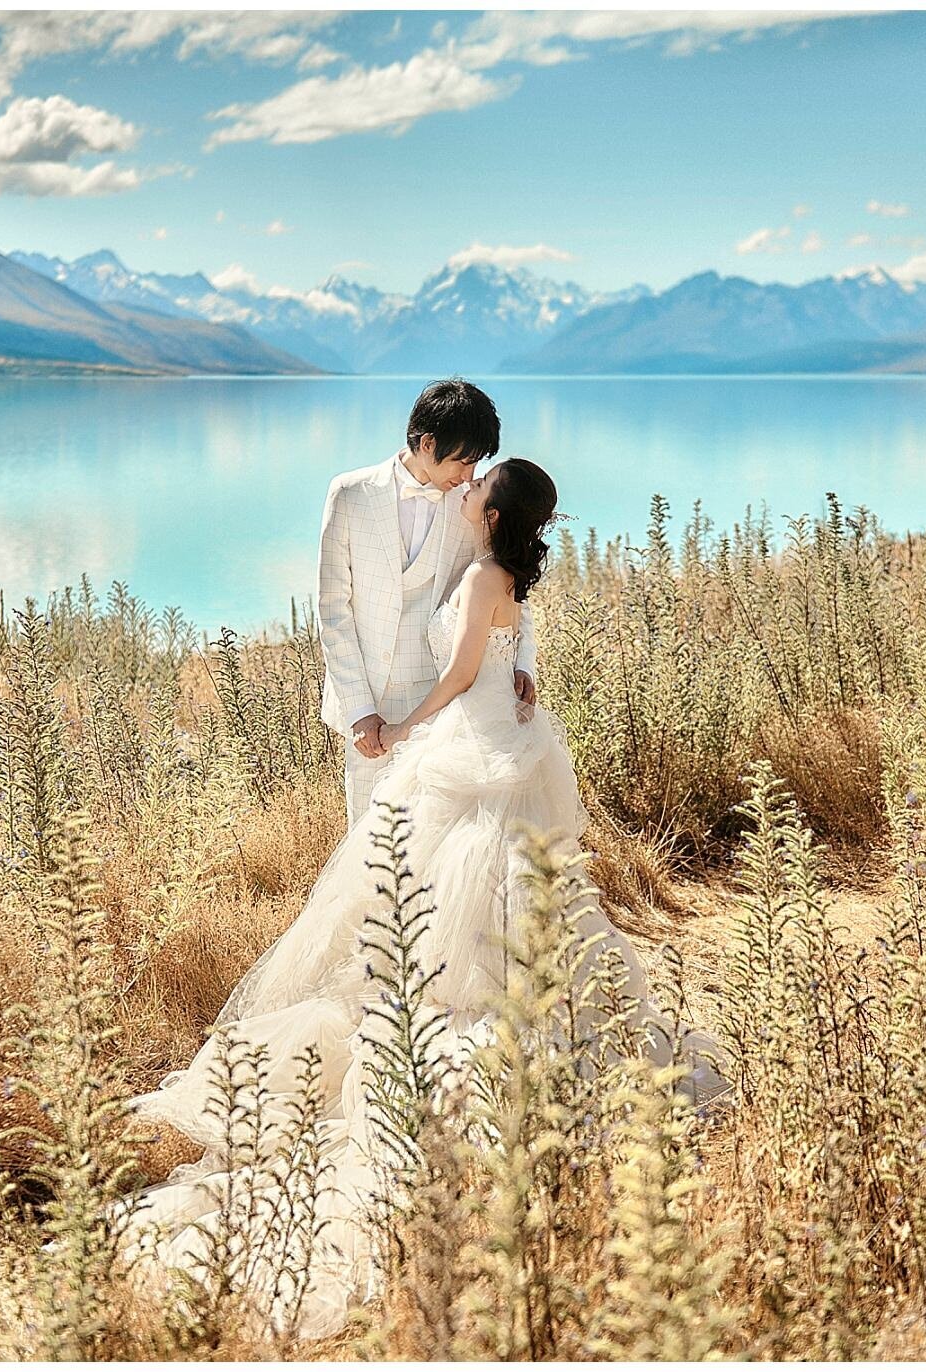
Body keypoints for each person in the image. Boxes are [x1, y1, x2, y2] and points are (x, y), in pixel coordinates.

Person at [119, 455, 732, 1341]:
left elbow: (461, 671)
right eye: (469, 472)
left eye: (483, 484)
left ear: (491, 510)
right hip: (499, 735)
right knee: (494, 889)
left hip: (465, 739)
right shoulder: (502, 568)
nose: (471, 486)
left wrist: (410, 725)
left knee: (450, 889)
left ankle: (448, 1024)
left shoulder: (483, 570)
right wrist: (505, 683)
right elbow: (502, 655)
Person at [313, 377, 540, 830]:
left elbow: (509, 581)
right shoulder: (350, 493)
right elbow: (333, 609)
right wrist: (360, 711)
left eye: (478, 463)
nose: (470, 475)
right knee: (370, 841)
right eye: (463, 459)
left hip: (440, 707)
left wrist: (523, 663)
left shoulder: (472, 505)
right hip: (367, 708)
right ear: (428, 442)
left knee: (434, 846)